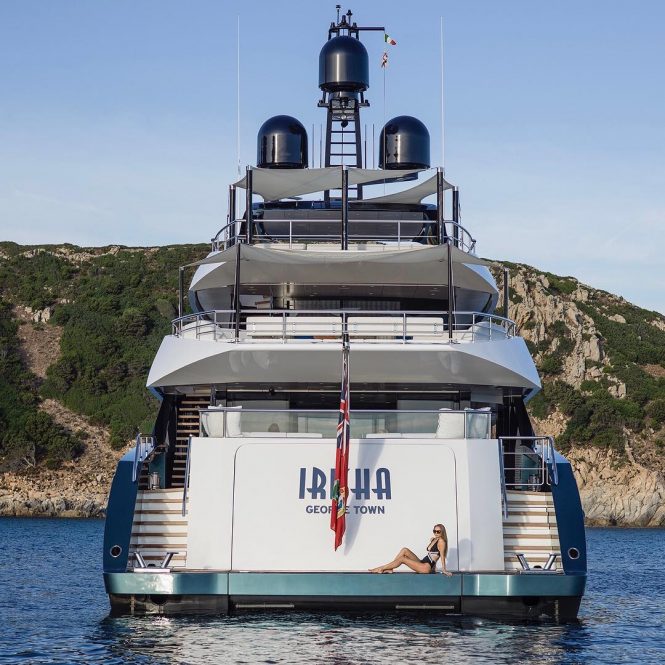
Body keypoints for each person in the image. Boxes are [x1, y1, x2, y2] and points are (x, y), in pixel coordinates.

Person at [369, 524, 452, 575]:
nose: (436, 533)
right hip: (422, 562)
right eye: (434, 531)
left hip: (425, 567)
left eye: (438, 531)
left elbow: (441, 556)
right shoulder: (434, 539)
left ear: (442, 532)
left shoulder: (441, 542)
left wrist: (444, 570)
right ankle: (390, 569)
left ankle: (381, 568)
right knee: (404, 550)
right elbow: (434, 554)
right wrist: (433, 569)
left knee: (402, 559)